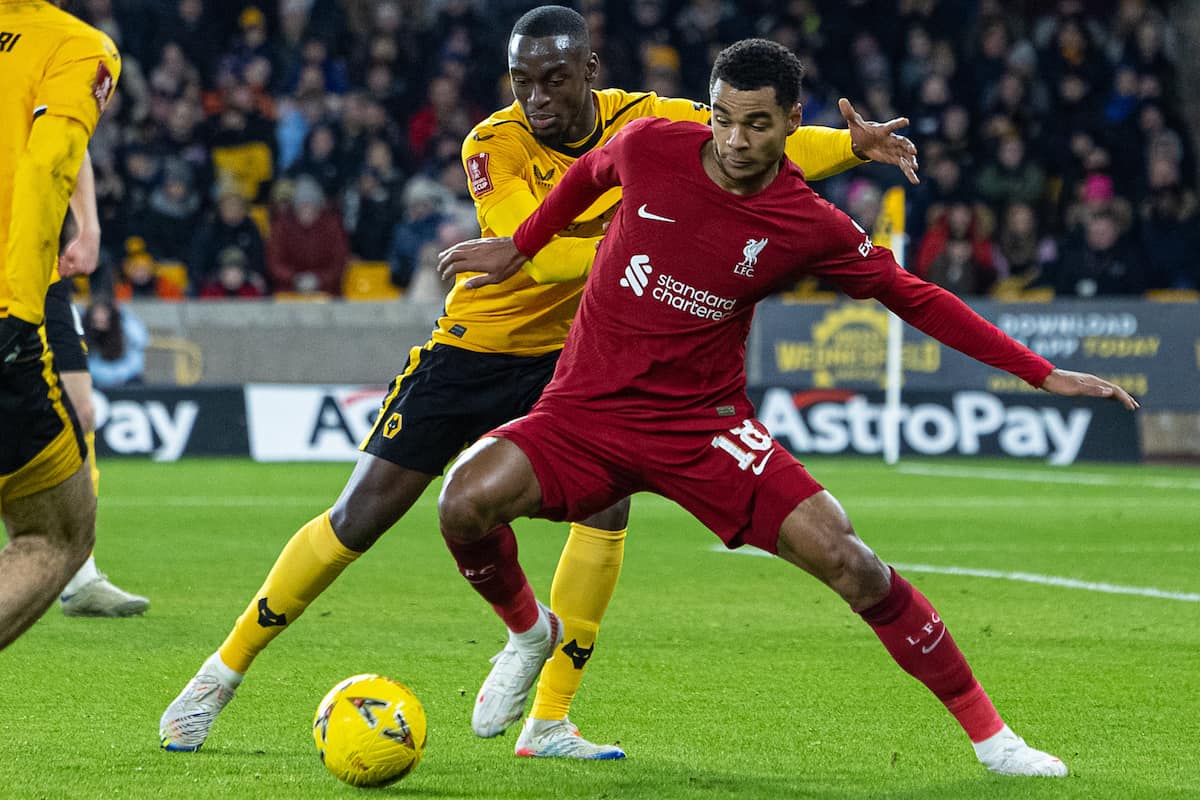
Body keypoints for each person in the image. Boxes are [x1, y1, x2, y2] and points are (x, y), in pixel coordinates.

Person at [158, 6, 918, 757]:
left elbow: (750, 141)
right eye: (523, 82)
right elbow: (539, 251)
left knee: (609, 509)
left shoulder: (649, 119)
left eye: (554, 79)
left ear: (590, 70)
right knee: (360, 515)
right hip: (475, 346)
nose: (538, 97)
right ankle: (218, 677)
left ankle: (548, 721)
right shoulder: (494, 143)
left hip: (578, 357)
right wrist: (661, 232)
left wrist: (853, 147)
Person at [434, 38, 1138, 778]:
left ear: (792, 121)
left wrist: (1037, 372)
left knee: (851, 561)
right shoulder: (648, 145)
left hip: (703, 427)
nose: (735, 141)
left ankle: (996, 742)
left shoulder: (809, 223)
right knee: (463, 503)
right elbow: (586, 176)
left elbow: (914, 296)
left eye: (757, 125)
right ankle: (527, 635)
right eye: (723, 119)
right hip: (586, 412)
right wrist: (519, 246)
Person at [0, 0, 121, 650]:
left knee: (82, 412)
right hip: (12, 297)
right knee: (56, 534)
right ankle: (85, 573)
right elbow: (46, 166)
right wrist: (18, 315)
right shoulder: (73, 47)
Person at [44, 151, 149, 617]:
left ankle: (81, 574)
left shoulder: (43, 90)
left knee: (80, 413)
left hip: (41, 277)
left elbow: (76, 146)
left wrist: (89, 227)